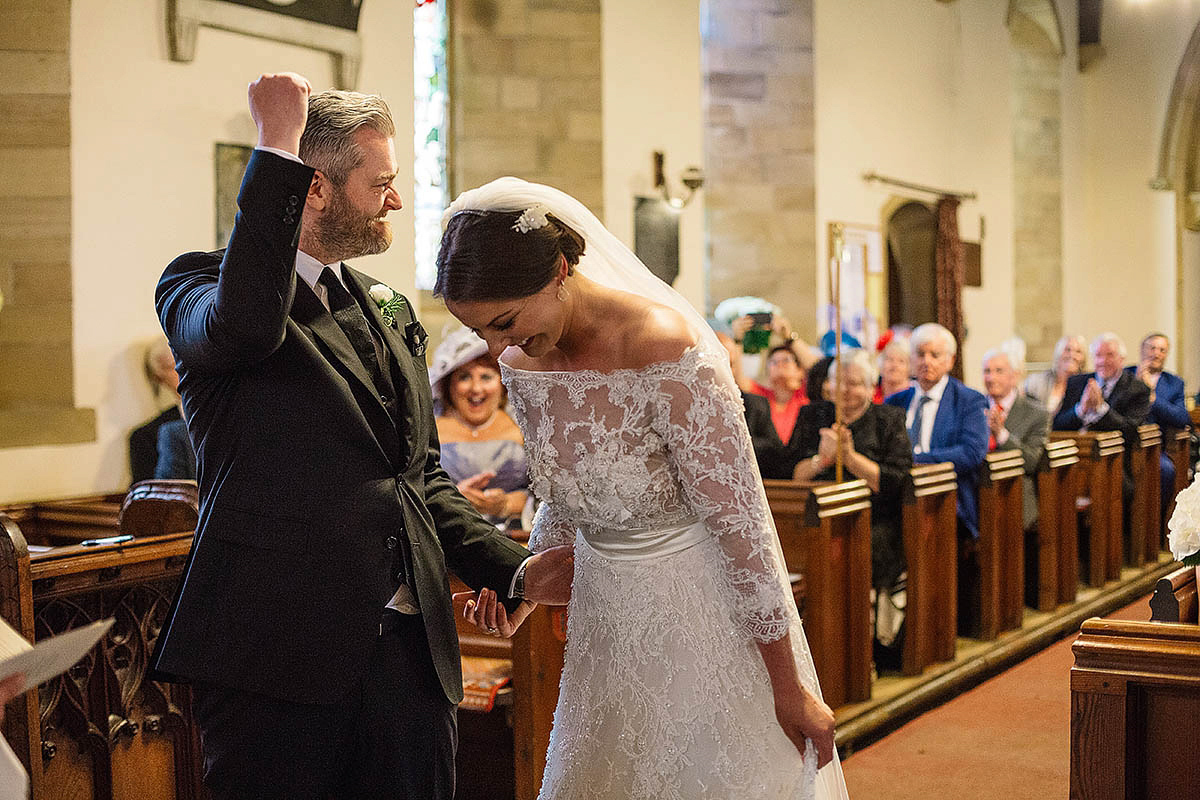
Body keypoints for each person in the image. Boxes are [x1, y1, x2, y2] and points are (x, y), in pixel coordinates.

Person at [150, 73, 570, 800]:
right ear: (314, 188)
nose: (397, 201)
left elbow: (418, 477)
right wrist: (275, 145)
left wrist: (514, 568)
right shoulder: (197, 286)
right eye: (382, 183)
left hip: (410, 660)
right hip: (277, 658)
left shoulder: (386, 307)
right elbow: (248, 325)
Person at [437, 177, 848, 799]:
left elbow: (742, 525)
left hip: (699, 610)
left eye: (505, 322)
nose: (497, 348)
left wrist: (788, 686)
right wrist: (526, 585)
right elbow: (561, 496)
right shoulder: (523, 367)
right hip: (606, 625)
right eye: (481, 332)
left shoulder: (663, 343)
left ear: (559, 271)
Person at [787, 349, 912, 663]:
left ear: (871, 387)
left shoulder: (888, 419)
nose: (845, 390)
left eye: (855, 383)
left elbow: (895, 482)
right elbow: (792, 476)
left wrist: (850, 458)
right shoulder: (812, 415)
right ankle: (808, 648)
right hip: (816, 518)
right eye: (838, 382)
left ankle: (857, 653)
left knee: (854, 549)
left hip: (871, 520)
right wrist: (822, 460)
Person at [430, 326, 530, 528]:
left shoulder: (525, 426)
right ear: (449, 386)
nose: (476, 388)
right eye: (464, 377)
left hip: (518, 536)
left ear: (502, 384)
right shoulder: (429, 430)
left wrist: (506, 504)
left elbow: (547, 496)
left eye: (486, 377)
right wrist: (452, 499)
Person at [982, 345, 1049, 532]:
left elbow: (1031, 462)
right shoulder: (973, 407)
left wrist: (1001, 434)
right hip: (978, 491)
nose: (991, 377)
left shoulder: (1036, 413)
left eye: (999, 371)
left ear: (1014, 376)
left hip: (1015, 493)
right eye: (987, 371)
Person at [1127, 332, 1187, 521]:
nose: (1156, 353)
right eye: (1152, 348)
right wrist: (1138, 385)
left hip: (1155, 448)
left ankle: (1154, 522)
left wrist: (1152, 397)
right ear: (1142, 350)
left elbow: (1181, 417)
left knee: (1166, 470)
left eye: (1162, 350)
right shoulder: (1126, 375)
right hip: (1123, 442)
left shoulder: (1174, 383)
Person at [128, 337, 195, 483]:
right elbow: (150, 500)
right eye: (174, 366)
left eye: (190, 363)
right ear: (159, 377)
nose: (186, 372)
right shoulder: (147, 437)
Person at [748, 343, 811, 445]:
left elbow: (816, 367)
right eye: (773, 362)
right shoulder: (761, 397)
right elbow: (740, 380)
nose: (779, 364)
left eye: (786, 360)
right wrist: (738, 338)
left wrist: (790, 339)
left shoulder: (806, 393)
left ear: (800, 371)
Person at [1024, 333, 1087, 414]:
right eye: (1067, 350)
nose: (1072, 355)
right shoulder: (1038, 382)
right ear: (1058, 353)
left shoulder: (1086, 385)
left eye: (1078, 352)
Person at [875, 335, 912, 402]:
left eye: (901, 361)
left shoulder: (914, 399)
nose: (894, 365)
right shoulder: (870, 394)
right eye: (890, 359)